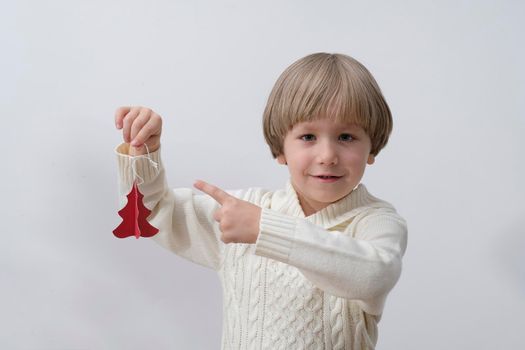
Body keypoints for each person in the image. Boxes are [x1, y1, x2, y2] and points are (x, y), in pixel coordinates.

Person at [113, 52, 408, 350]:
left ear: (372, 146)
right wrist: (143, 155)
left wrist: (266, 229)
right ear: (280, 149)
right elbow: (148, 217)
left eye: (346, 137)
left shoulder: (375, 221)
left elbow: (375, 275)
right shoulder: (241, 212)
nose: (327, 156)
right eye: (308, 137)